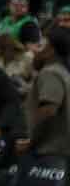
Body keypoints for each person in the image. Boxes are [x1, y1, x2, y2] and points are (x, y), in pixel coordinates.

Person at [16, 28, 70, 157]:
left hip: (50, 153)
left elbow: (48, 111)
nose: (34, 50)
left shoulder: (50, 73)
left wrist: (31, 141)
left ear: (50, 51)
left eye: (40, 46)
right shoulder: (63, 72)